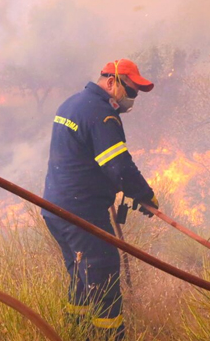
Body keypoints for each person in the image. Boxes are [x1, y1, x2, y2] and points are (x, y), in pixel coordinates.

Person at [42, 59, 159, 340]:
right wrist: (145, 195)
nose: (133, 98)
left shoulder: (71, 104)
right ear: (110, 82)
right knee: (104, 276)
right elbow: (118, 165)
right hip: (81, 212)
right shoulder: (102, 114)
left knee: (82, 277)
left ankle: (75, 333)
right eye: (130, 90)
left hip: (56, 209)